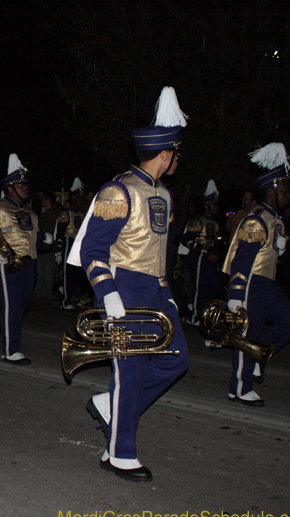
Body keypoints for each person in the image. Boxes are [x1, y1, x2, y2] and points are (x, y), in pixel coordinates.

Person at [68, 86, 190, 482]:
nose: (178, 159)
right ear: (166, 153)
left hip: (155, 289)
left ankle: (112, 405)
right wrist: (107, 292)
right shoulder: (118, 190)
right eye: (177, 152)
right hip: (124, 287)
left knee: (176, 360)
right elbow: (93, 249)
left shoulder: (163, 194)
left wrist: (168, 296)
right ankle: (120, 454)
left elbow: (158, 254)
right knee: (131, 373)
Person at [222, 143, 290, 405]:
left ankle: (258, 356)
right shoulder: (257, 220)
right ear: (271, 191)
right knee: (247, 336)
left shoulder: (275, 220)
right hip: (251, 284)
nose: (289, 195)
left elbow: (272, 258)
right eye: (285, 190)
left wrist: (281, 250)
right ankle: (239, 388)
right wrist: (236, 293)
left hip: (268, 284)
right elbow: (242, 259)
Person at [0, 154, 53, 365]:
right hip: (5, 263)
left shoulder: (30, 213)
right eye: (21, 184)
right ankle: (10, 351)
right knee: (12, 306)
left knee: (23, 305)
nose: (25, 188)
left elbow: (31, 241)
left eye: (25, 184)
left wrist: (45, 241)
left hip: (29, 263)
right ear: (10, 188)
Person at [181, 180, 223, 325]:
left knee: (214, 287)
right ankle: (195, 317)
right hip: (198, 259)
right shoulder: (197, 221)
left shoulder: (215, 223)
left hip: (210, 261)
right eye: (214, 204)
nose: (216, 207)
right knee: (199, 289)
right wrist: (200, 247)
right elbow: (186, 239)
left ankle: (208, 314)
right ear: (207, 205)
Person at [55, 178, 88, 310]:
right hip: (68, 243)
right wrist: (58, 252)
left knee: (78, 275)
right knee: (67, 275)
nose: (81, 201)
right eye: (78, 199)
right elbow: (59, 233)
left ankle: (74, 298)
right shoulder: (65, 213)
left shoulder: (82, 213)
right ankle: (65, 301)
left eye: (82, 199)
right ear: (73, 199)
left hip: (79, 245)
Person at [33, 191, 58, 303]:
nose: (41, 201)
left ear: (48, 200)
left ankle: (46, 294)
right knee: (40, 272)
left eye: (43, 199)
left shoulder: (53, 213)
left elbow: (48, 229)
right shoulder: (44, 213)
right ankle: (38, 293)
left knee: (47, 272)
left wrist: (40, 228)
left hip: (48, 246)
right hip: (41, 246)